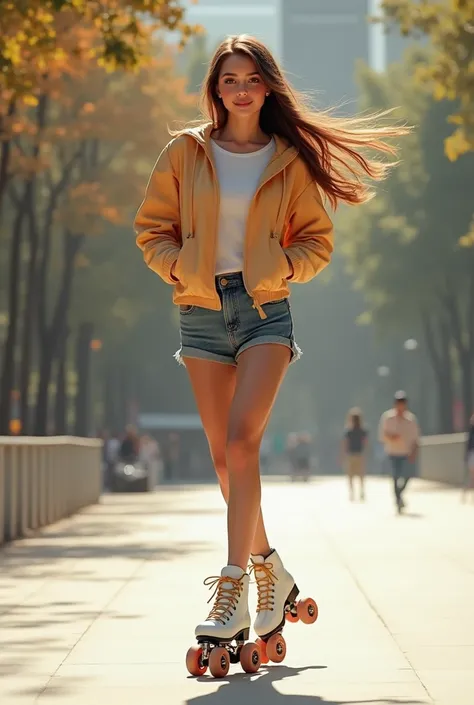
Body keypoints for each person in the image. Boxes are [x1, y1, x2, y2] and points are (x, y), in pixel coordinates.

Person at [134, 34, 408, 666]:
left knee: (242, 444)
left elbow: (317, 240)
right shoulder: (185, 152)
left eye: (251, 78)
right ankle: (271, 574)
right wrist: (178, 270)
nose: (241, 89)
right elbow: (152, 227)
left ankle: (230, 588)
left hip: (264, 313)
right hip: (200, 313)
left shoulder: (287, 160)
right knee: (226, 464)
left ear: (267, 86)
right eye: (229, 78)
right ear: (215, 88)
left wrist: (281, 266)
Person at [378, 391, 420, 513]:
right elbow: (382, 435)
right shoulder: (388, 418)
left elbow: (415, 438)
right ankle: (398, 499)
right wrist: (391, 437)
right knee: (395, 476)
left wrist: (414, 452)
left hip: (406, 452)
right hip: (393, 451)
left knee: (407, 475)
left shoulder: (411, 419)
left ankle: (399, 494)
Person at [341, 407, 368, 502]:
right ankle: (361, 491)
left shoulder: (348, 431)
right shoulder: (362, 431)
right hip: (359, 453)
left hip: (351, 454)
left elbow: (345, 443)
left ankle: (352, 493)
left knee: (351, 475)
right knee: (360, 475)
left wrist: (343, 455)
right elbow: (365, 443)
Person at [463, 412, 474, 501]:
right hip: (472, 455)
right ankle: (465, 494)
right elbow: (468, 446)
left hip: (471, 455)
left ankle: (465, 494)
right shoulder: (471, 432)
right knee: (472, 477)